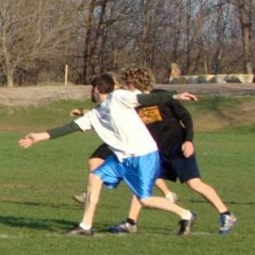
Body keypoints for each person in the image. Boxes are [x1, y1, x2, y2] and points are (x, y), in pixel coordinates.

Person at [18, 72, 198, 236]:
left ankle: (186, 214)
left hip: (143, 155)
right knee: (95, 177)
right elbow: (70, 127)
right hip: (121, 158)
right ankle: (85, 226)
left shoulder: (118, 97)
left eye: (92, 88)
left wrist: (175, 95)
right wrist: (38, 136)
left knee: (145, 200)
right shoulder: (95, 114)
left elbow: (145, 98)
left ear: (96, 89)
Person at [106, 67, 237, 235]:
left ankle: (226, 214)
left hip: (177, 147)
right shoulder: (131, 102)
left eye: (127, 83)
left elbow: (186, 117)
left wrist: (188, 141)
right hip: (153, 152)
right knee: (142, 184)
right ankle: (130, 223)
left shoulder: (162, 96)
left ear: (134, 83)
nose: (124, 87)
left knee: (194, 183)